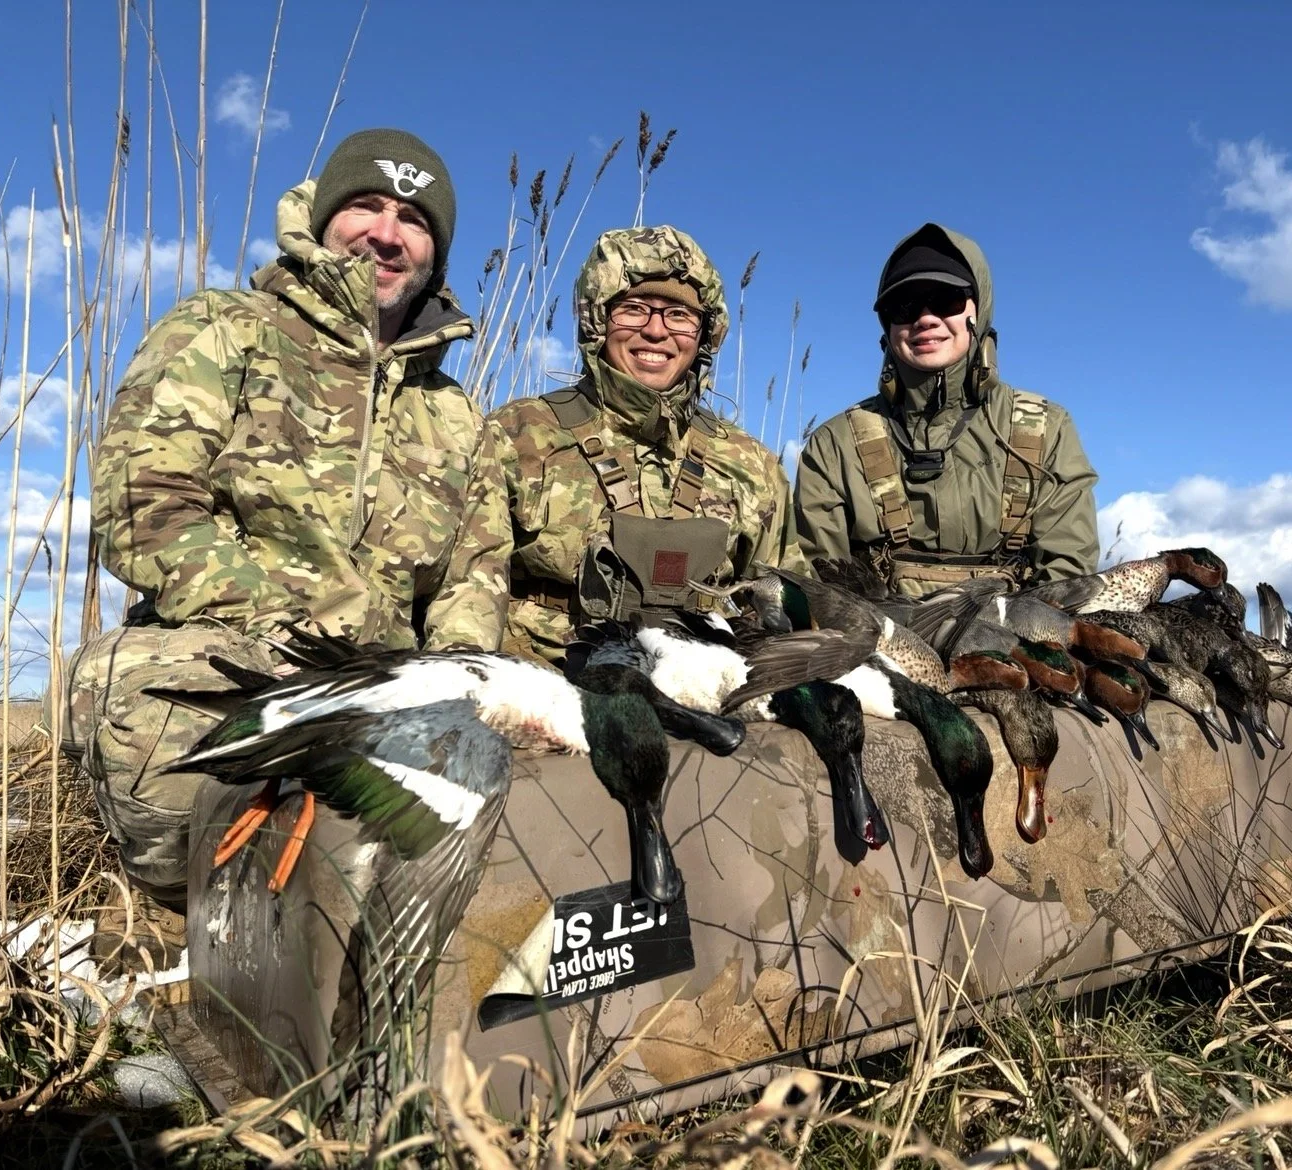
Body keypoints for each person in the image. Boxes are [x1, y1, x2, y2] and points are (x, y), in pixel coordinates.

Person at [57, 129, 511, 959]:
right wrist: (298, 622)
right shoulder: (225, 329)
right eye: (366, 206)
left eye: (413, 219)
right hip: (250, 653)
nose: (385, 232)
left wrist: (454, 677)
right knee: (127, 688)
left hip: (392, 683)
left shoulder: (457, 413)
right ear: (324, 216)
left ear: (433, 251)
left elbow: (472, 575)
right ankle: (178, 915)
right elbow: (145, 505)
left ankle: (369, 927)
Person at [488, 225, 806, 664]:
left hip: (703, 690)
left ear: (704, 334)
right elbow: (461, 588)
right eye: (634, 309)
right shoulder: (517, 434)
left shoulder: (752, 465)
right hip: (547, 685)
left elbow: (787, 600)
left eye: (679, 315)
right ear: (597, 320)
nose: (657, 331)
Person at [794, 224, 1098, 594]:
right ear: (887, 326)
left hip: (1016, 646)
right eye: (903, 305)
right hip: (879, 646)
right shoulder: (834, 445)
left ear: (978, 311)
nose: (925, 318)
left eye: (946, 299)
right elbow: (822, 587)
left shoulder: (1047, 429)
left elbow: (1067, 575)